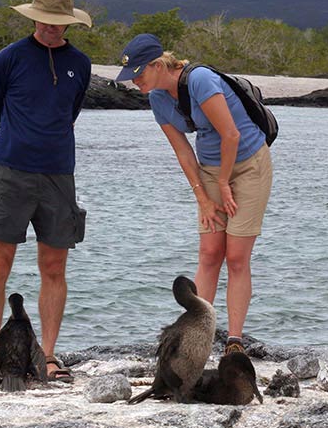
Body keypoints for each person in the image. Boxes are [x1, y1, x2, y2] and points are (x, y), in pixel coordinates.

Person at [115, 33, 273, 355]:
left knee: (236, 256)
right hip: (211, 168)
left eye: (139, 74)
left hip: (249, 164)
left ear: (159, 65)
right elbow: (183, 152)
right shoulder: (157, 99)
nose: (134, 81)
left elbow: (231, 135)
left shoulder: (200, 80)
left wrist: (225, 182)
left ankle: (234, 341)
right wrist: (203, 197)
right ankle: (196, 337)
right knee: (210, 252)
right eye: (131, 76)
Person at [0, 0, 92, 382]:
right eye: (44, 20)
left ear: (68, 23)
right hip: (10, 170)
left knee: (54, 266)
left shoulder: (80, 63)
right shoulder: (9, 58)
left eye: (58, 22)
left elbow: (70, 112)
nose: (50, 27)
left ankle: (48, 356)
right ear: (33, 18)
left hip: (59, 174)